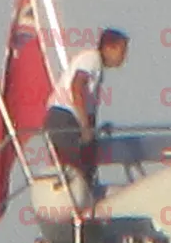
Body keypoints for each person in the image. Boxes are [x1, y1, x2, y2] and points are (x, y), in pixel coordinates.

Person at [44, 28, 129, 186]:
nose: (124, 57)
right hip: (64, 116)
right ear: (109, 48)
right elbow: (77, 87)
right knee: (77, 166)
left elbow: (88, 105)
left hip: (68, 117)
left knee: (87, 163)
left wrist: (95, 129)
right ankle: (75, 191)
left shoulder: (98, 69)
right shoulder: (92, 59)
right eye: (122, 51)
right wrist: (85, 127)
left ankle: (85, 191)